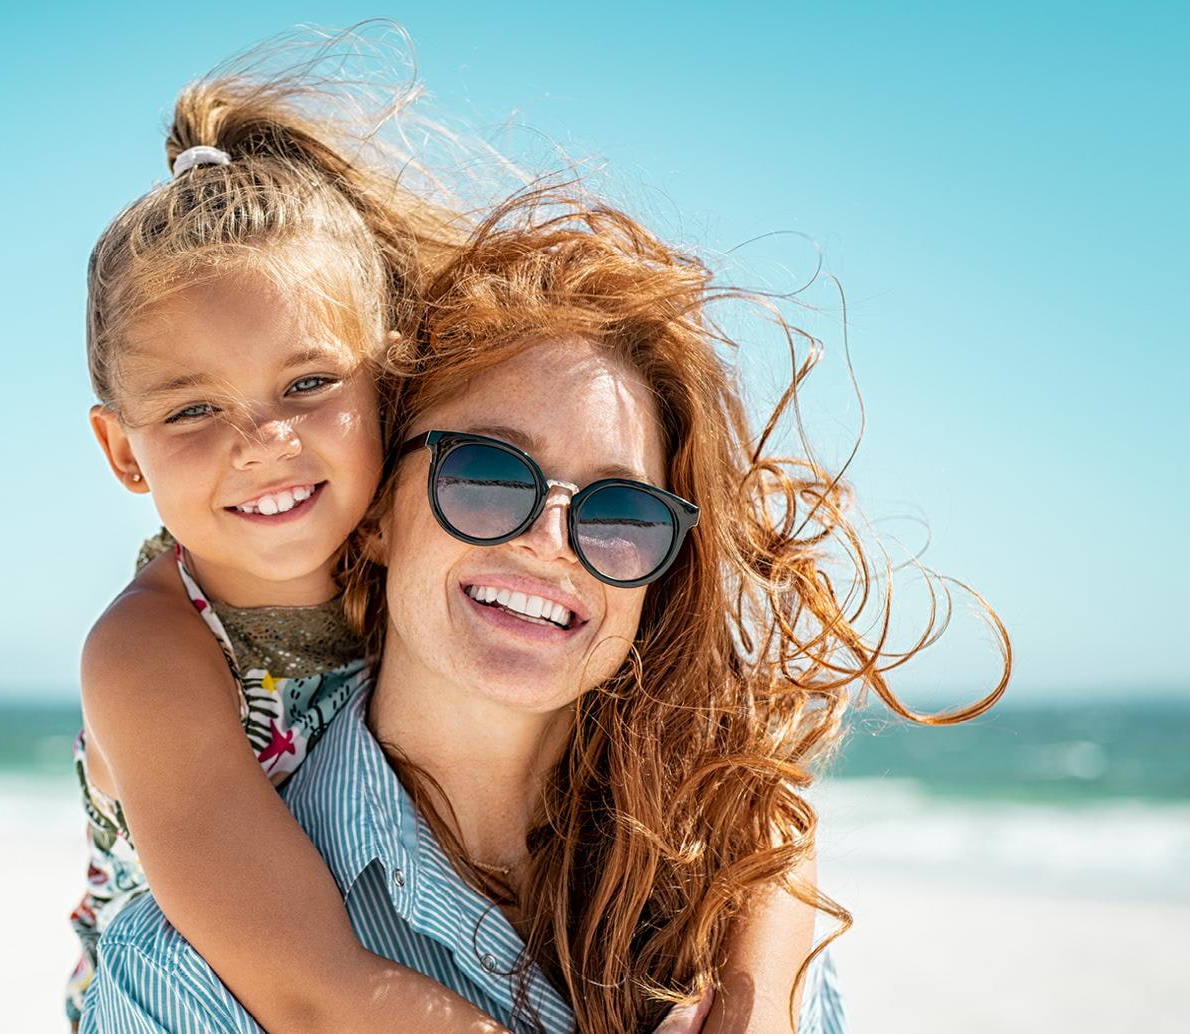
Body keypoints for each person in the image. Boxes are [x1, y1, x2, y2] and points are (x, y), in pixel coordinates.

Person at [83, 185, 1008, 1033]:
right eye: (487, 476)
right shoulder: (186, 973)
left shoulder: (724, 907)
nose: (550, 540)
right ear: (378, 517)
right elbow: (316, 989)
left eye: (619, 513)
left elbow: (775, 814)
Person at [66, 49, 507, 1032]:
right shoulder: (152, 651)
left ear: (383, 384)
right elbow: (313, 992)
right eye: (190, 410)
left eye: (308, 383)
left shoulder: (426, 556)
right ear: (122, 451)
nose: (264, 442)